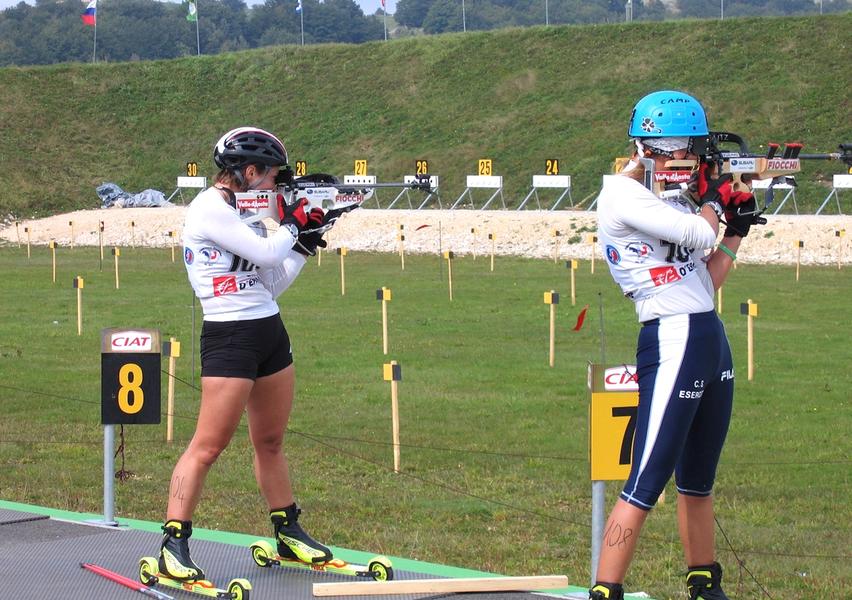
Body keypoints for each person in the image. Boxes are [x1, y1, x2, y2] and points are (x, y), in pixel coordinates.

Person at [591, 91, 762, 600]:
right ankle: (607, 589)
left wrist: (739, 228)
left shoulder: (666, 197)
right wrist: (712, 200)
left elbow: (706, 279)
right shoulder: (623, 195)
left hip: (707, 333)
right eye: (667, 147)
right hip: (672, 335)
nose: (675, 158)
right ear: (641, 146)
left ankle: (704, 583)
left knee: (698, 480)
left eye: (685, 147)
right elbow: (696, 233)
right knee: (646, 479)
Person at [157, 127, 334, 581]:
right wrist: (294, 224)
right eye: (273, 176)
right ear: (248, 172)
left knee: (271, 442)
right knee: (208, 446)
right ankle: (172, 545)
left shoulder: (244, 211)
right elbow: (266, 252)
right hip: (230, 336)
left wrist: (304, 244)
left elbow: (268, 280)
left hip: (268, 329)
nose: (276, 185)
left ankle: (288, 530)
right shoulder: (209, 209)